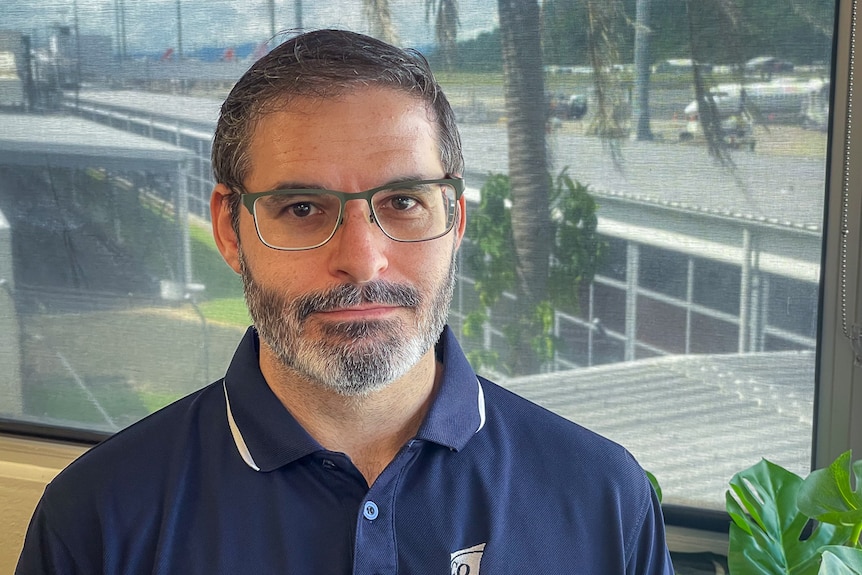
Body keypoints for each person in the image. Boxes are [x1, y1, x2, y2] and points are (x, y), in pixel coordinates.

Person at [17, 29, 673, 574]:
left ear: (456, 220)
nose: (362, 259)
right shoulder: (97, 520)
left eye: (404, 202)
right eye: (302, 208)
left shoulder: (603, 499)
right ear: (229, 229)